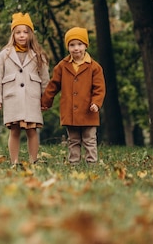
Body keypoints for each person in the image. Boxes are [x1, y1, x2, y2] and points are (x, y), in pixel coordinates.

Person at [0, 12, 50, 165]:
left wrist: (46, 99)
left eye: (25, 32)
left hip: (32, 98)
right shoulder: (5, 54)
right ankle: (14, 162)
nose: (22, 35)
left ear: (31, 34)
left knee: (32, 130)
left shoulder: (38, 54)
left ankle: (33, 161)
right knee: (14, 130)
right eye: (18, 32)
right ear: (13, 34)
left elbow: (45, 79)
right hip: (12, 97)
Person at [41, 27, 106, 164]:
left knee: (89, 139)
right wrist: (46, 101)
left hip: (88, 111)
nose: (76, 48)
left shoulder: (95, 67)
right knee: (73, 140)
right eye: (72, 45)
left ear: (85, 46)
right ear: (68, 47)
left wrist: (96, 102)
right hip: (70, 112)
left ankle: (92, 163)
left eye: (80, 44)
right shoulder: (62, 66)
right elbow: (53, 85)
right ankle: (74, 163)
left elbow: (99, 88)